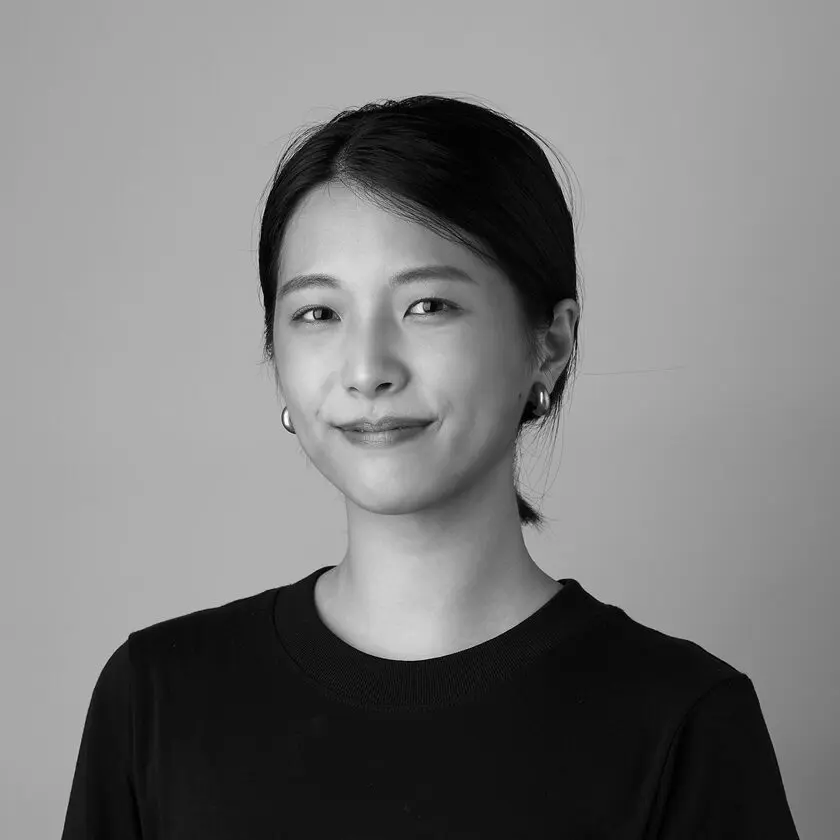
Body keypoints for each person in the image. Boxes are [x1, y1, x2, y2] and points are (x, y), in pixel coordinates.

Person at [61, 94, 801, 838]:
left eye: (428, 306)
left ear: (549, 344)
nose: (367, 369)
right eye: (318, 313)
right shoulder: (155, 698)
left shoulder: (683, 722)